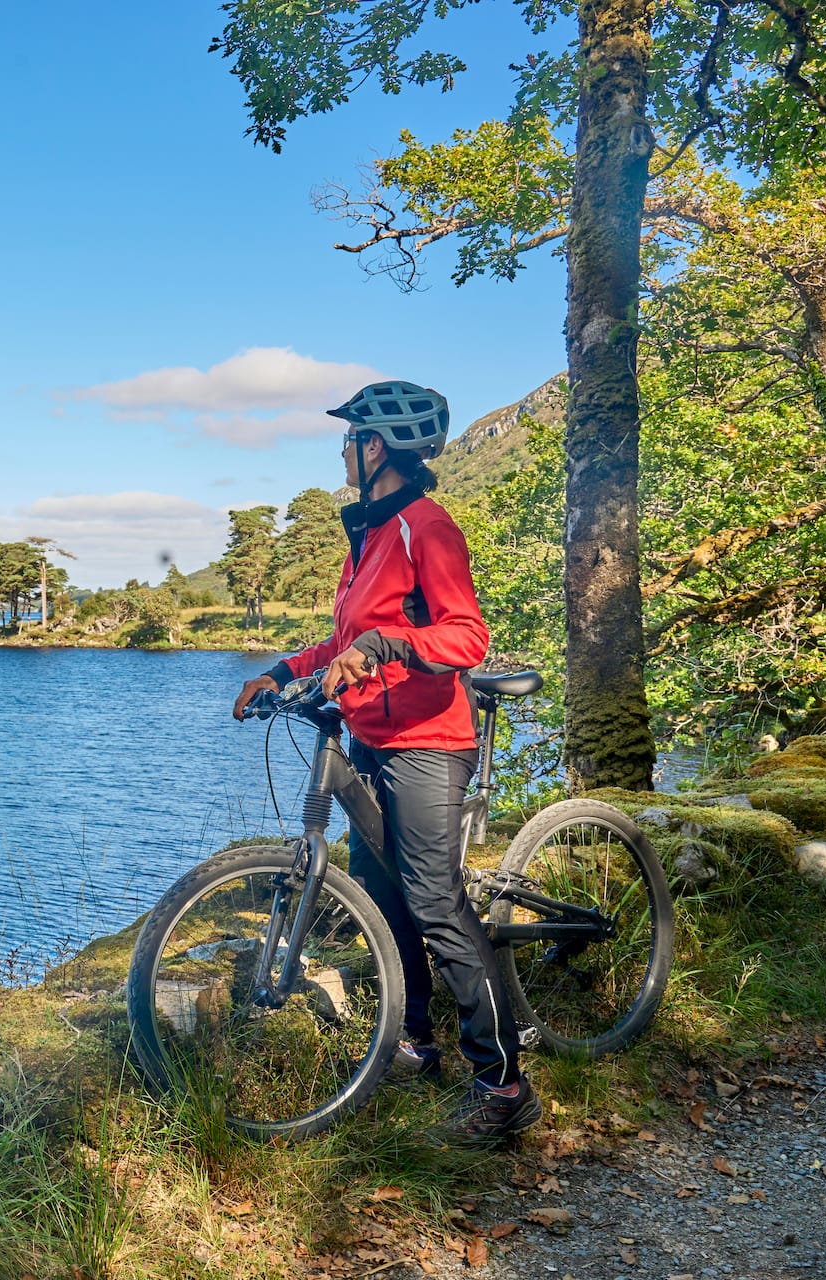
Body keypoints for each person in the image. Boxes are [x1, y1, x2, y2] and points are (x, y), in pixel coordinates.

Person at [232, 380, 541, 1147]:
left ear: (375, 448)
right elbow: (347, 641)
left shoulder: (425, 527)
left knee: (434, 899)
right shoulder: (368, 533)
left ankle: (503, 1085)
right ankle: (414, 1042)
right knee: (381, 890)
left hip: (430, 743)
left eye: (348, 439)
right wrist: (280, 670)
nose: (340, 450)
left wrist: (388, 647)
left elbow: (465, 637)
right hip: (370, 734)